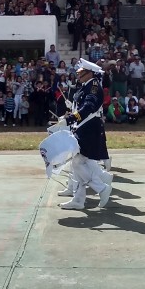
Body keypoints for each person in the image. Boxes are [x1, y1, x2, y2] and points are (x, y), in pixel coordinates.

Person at [57, 58, 112, 210]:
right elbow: (80, 105)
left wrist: (71, 119)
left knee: (77, 162)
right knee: (79, 163)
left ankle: (101, 187)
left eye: (81, 73)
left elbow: (88, 107)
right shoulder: (86, 86)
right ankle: (79, 200)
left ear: (89, 73)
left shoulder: (93, 86)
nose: (78, 75)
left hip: (89, 128)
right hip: (84, 127)